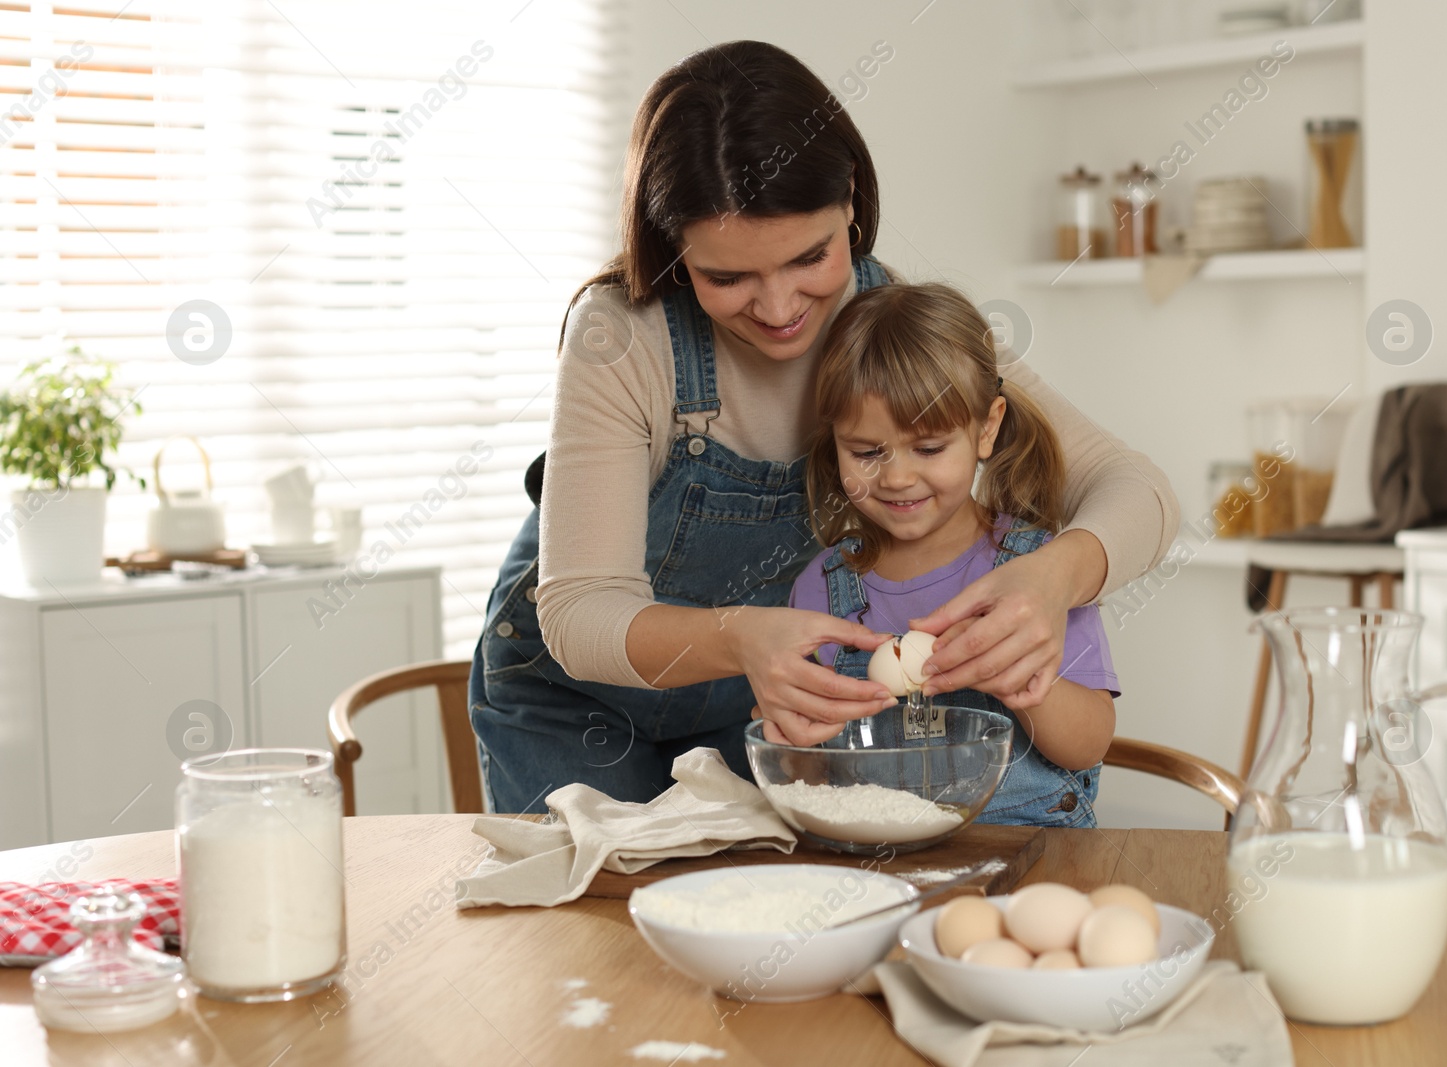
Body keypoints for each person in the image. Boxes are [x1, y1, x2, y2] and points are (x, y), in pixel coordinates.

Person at [468, 40, 1177, 815]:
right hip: (574, 705)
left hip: (759, 707)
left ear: (849, 198)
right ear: (674, 247)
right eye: (727, 276)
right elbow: (580, 613)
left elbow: (1137, 488)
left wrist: (1053, 578)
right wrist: (742, 639)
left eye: (811, 256)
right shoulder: (621, 337)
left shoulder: (892, 332)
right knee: (595, 931)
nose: (778, 309)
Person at [778, 282, 1117, 826]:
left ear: (986, 428)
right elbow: (814, 777)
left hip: (1031, 855)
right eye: (866, 452)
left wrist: (1023, 682)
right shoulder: (821, 587)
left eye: (929, 448)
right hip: (879, 871)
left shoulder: (1033, 574)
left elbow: (1089, 745)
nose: (896, 477)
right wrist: (790, 736)